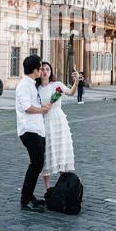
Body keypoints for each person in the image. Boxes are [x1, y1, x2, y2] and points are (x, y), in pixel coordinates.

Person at [16, 55, 52, 213]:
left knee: (37, 164)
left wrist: (42, 107)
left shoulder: (31, 84)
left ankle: (29, 196)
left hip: (37, 129)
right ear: (35, 70)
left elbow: (33, 104)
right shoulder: (24, 85)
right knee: (36, 164)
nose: (41, 71)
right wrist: (42, 109)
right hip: (29, 129)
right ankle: (25, 200)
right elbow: (26, 107)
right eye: (40, 68)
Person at [37, 62, 79, 193]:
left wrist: (76, 81)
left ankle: (64, 187)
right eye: (42, 69)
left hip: (59, 121)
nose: (45, 71)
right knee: (46, 154)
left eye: (47, 69)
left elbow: (71, 93)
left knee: (61, 152)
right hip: (44, 122)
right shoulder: (36, 88)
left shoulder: (57, 85)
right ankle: (47, 189)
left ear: (51, 72)